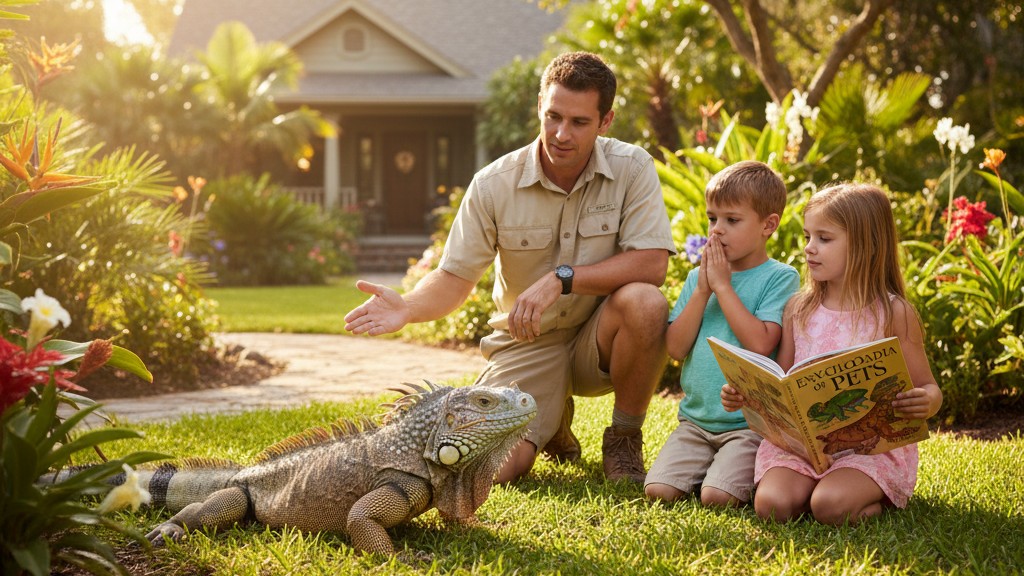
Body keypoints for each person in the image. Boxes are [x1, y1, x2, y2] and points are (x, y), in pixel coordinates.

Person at [343, 51, 675, 484]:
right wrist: (408, 306)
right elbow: (454, 278)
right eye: (553, 116)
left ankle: (624, 439)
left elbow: (652, 263)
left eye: (579, 122)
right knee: (494, 469)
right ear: (539, 107)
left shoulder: (633, 168)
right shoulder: (493, 184)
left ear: (605, 121)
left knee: (646, 302)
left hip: (601, 337)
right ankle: (552, 420)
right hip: (527, 342)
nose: (561, 134)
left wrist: (563, 279)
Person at [722, 182, 943, 524]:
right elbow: (781, 380)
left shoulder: (893, 313)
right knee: (772, 506)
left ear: (867, 245)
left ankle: (862, 499)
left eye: (824, 239)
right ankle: (815, 491)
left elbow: (930, 388)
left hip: (868, 449)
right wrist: (748, 394)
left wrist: (926, 402)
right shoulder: (799, 308)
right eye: (807, 236)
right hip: (803, 448)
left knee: (829, 506)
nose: (809, 248)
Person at [644, 160, 800, 507]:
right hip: (695, 422)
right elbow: (676, 348)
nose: (716, 230)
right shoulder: (697, 279)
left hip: (748, 426)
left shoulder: (780, 277)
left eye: (732, 220)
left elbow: (761, 343)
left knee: (717, 497)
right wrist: (703, 290)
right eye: (712, 218)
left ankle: (723, 475)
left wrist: (723, 287)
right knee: (658, 491)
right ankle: (709, 468)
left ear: (768, 225)